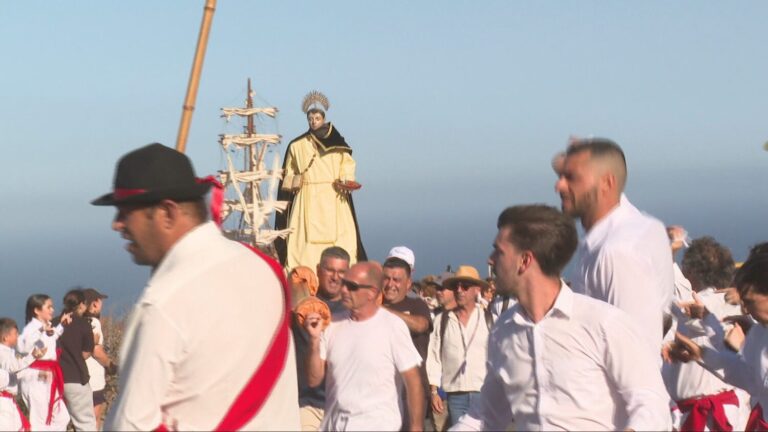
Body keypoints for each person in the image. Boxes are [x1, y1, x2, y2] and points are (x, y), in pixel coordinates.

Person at [92, 143, 299, 431]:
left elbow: (131, 425)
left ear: (167, 213)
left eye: (126, 212)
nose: (117, 224)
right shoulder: (265, 269)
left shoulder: (164, 303)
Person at [453, 204, 671, 431]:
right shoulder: (503, 331)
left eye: (498, 251)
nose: (490, 260)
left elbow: (652, 403)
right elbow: (485, 418)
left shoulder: (604, 323)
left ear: (525, 261)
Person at [555, 137, 674, 353]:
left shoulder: (618, 251)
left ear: (607, 183)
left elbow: (634, 350)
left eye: (571, 178)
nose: (559, 186)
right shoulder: (618, 236)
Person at [304, 262, 425, 431]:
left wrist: (416, 427)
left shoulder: (392, 326)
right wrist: (314, 340)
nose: (344, 290)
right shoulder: (331, 324)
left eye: (352, 286)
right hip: (333, 426)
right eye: (344, 283)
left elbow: (413, 382)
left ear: (372, 293)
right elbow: (313, 380)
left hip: (377, 425)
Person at [669, 252, 768, 431]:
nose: (745, 308)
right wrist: (701, 353)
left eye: (750, 301)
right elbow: (748, 377)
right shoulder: (759, 334)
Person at [275, 91, 366, 270]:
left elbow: (347, 164)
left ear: (323, 118)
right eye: (310, 118)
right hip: (306, 198)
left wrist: (346, 179)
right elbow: (289, 173)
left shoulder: (338, 144)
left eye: (317, 117)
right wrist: (293, 182)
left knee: (342, 238)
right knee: (302, 246)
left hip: (333, 196)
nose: (313, 121)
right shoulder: (296, 145)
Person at [292, 246, 351, 431]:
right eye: (330, 270)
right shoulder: (300, 304)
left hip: (345, 407)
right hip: (307, 403)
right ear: (318, 270)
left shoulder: (354, 312)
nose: (335, 277)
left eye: (341, 272)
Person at [426, 266, 489, 427]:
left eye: (465, 286)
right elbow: (433, 357)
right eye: (456, 286)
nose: (460, 290)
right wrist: (434, 392)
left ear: (477, 290)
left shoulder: (488, 319)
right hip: (455, 396)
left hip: (483, 393)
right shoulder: (442, 320)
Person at [382, 248, 433, 429]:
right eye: (386, 278)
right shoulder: (372, 306)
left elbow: (420, 325)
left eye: (397, 280)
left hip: (412, 394)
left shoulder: (417, 305)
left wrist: (383, 311)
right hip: (382, 394)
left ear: (408, 284)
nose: (390, 284)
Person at [17, 294, 72, 431]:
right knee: (40, 421)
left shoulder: (45, 327)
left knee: (62, 417)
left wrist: (61, 325)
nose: (52, 310)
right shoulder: (31, 329)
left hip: (49, 376)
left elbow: (51, 337)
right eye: (49, 307)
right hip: (35, 378)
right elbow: (23, 346)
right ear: (36, 310)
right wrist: (41, 330)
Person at [57, 289, 97, 431]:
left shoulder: (55, 322)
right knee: (85, 423)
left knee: (59, 423)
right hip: (76, 378)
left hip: (56, 380)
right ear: (81, 304)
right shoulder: (83, 324)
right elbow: (86, 353)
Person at [0, 317, 45, 431]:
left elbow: (16, 373)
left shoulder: (9, 352)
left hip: (9, 401)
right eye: (15, 333)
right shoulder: (2, 352)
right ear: (5, 337)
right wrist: (32, 356)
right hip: (3, 402)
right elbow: (12, 367)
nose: (18, 335)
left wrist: (37, 373)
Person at [83, 288, 117, 431]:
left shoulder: (76, 322)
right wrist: (111, 365)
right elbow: (96, 351)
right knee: (94, 419)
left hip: (79, 377)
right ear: (94, 304)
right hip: (94, 380)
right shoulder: (93, 323)